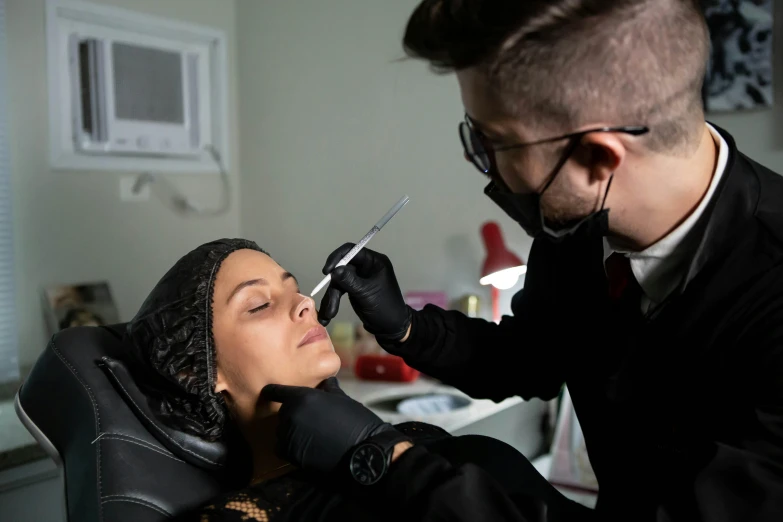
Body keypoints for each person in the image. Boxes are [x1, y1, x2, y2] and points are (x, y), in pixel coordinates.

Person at [263, 1, 783, 521]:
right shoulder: (580, 230)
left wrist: (380, 460)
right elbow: (530, 356)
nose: (486, 165)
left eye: (495, 142)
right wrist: (405, 328)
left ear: (595, 159)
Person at [126, 238, 580, 521]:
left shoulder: (402, 440)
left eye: (294, 286)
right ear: (195, 371)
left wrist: (374, 449)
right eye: (259, 305)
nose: (305, 302)